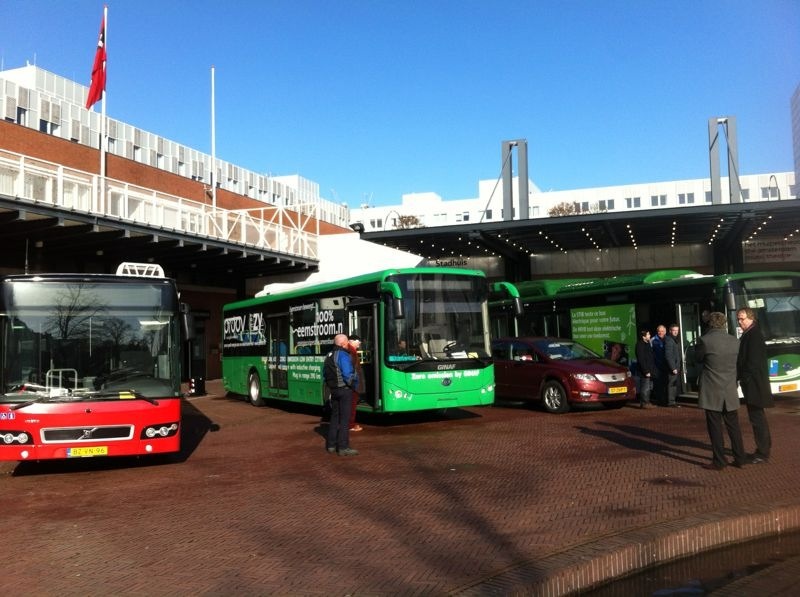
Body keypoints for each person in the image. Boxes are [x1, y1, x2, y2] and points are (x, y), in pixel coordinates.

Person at [694, 312, 746, 470]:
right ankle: (740, 458)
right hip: (729, 388)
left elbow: (697, 359)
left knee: (715, 427)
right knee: (734, 426)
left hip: (712, 389)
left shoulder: (704, 340)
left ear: (709, 324)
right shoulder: (735, 341)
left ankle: (719, 460)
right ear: (724, 324)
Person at [736, 307, 774, 464]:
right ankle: (763, 448)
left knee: (757, 419)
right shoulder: (750, 334)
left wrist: (743, 378)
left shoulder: (754, 335)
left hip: (755, 385)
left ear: (751, 319)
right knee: (758, 418)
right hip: (754, 384)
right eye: (738, 319)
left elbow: (752, 362)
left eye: (742, 319)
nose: (740, 322)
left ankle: (763, 452)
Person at [325, 333, 359, 456]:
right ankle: (343, 447)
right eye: (346, 343)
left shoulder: (328, 355)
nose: (347, 345)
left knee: (334, 418)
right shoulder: (343, 355)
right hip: (344, 390)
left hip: (334, 390)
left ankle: (331, 445)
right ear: (342, 343)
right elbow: (347, 374)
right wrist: (353, 385)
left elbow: (325, 374)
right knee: (344, 419)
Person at [347, 334, 365, 433]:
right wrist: (353, 382)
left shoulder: (351, 351)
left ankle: (350, 424)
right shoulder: (350, 351)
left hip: (353, 383)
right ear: (351, 341)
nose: (360, 342)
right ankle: (350, 425)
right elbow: (350, 369)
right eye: (357, 340)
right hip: (352, 384)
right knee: (351, 405)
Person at [634, 329, 656, 409]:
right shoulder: (640, 345)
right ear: (643, 337)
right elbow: (641, 359)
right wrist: (646, 371)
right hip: (645, 370)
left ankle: (647, 401)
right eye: (648, 334)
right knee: (645, 387)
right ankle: (644, 403)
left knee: (649, 386)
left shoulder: (647, 344)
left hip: (649, 370)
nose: (649, 336)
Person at [664, 323, 682, 407]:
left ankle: (672, 401)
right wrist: (673, 368)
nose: (676, 332)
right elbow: (668, 355)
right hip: (673, 367)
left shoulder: (674, 339)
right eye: (674, 330)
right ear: (670, 331)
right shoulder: (669, 340)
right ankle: (671, 402)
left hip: (676, 366)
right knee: (672, 384)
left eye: (677, 330)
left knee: (674, 384)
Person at [651, 325, 668, 405]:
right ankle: (659, 401)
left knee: (666, 383)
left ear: (665, 331)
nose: (661, 333)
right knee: (658, 384)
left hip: (666, 365)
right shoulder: (653, 340)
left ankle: (665, 400)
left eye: (662, 331)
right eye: (659, 331)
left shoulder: (668, 339)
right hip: (657, 366)